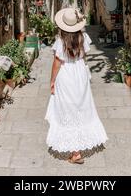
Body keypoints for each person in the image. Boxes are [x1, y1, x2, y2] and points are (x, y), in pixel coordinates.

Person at [45, 8, 108, 164]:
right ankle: (78, 146)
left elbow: (57, 63)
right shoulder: (83, 37)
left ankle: (75, 153)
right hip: (80, 74)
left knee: (68, 109)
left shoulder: (60, 41)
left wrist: (52, 81)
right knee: (81, 107)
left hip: (66, 75)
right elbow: (84, 56)